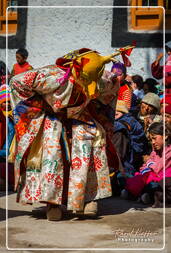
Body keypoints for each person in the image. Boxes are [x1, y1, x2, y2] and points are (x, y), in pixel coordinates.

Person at [9, 48, 122, 221]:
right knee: (51, 154)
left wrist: (98, 111)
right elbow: (16, 82)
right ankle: (52, 202)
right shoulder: (52, 77)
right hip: (54, 118)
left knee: (89, 149)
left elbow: (115, 85)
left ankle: (86, 200)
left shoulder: (102, 79)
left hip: (81, 118)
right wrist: (41, 106)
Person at [122, 122, 171, 205]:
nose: (153, 142)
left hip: (163, 180)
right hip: (153, 176)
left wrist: (148, 162)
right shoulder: (155, 151)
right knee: (127, 176)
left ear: (165, 136)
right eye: (151, 139)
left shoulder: (169, 151)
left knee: (155, 185)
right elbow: (144, 167)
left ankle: (144, 196)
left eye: (154, 138)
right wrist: (146, 168)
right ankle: (138, 194)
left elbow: (158, 168)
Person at [0, 85, 15, 190]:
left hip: (10, 150)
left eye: (9, 102)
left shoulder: (14, 115)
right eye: (5, 102)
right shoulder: (1, 117)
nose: (7, 104)